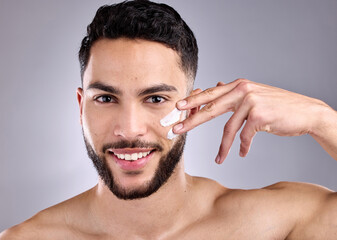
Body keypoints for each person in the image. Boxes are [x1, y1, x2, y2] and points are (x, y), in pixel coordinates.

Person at [1, 0, 336, 239]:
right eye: (105, 98)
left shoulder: (270, 226)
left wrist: (323, 120)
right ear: (80, 107)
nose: (129, 129)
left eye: (156, 99)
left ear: (191, 107)